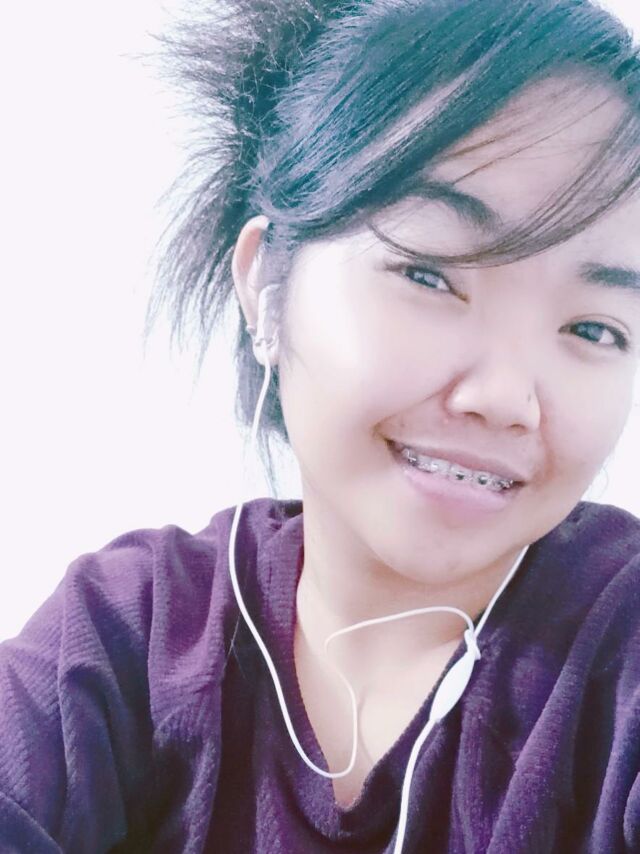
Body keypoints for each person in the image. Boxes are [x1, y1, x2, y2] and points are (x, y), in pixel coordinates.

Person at [1, 0, 640, 851]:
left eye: (594, 329)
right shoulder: (128, 636)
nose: (505, 397)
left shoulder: (621, 656)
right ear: (267, 284)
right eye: (430, 275)